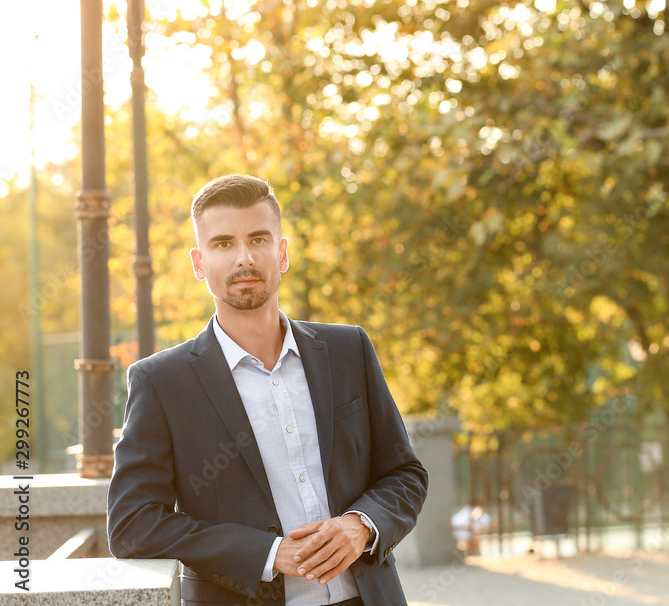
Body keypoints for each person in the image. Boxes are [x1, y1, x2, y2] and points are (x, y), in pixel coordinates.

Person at [107, 175, 428, 606]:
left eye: (258, 239)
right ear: (199, 264)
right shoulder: (161, 382)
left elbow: (405, 475)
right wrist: (269, 553)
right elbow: (132, 524)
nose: (244, 258)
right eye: (223, 244)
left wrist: (361, 524)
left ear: (281, 253)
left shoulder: (348, 349)